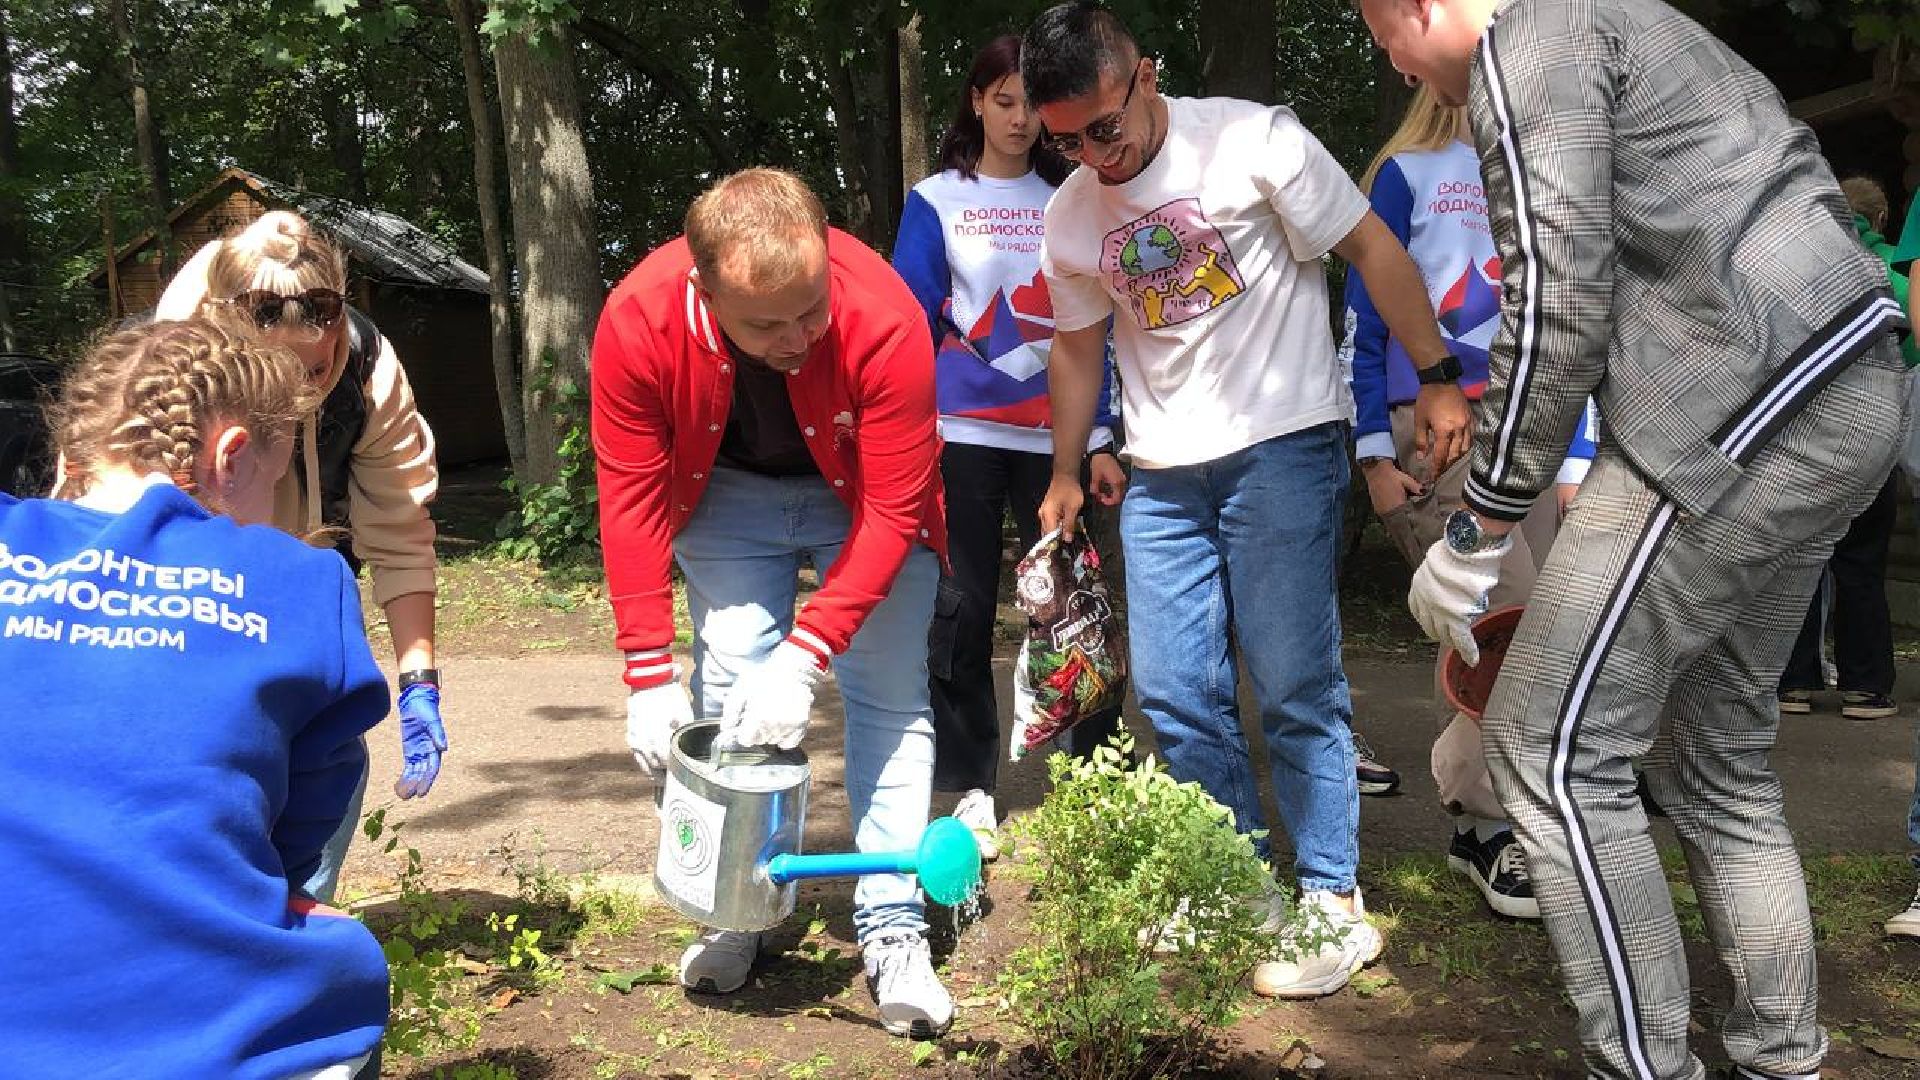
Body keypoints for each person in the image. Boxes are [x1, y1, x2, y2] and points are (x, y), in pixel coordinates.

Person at [1361, 0, 1910, 1076]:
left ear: (1420, 5)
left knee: (1547, 748)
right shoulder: (1638, 20)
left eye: (1380, 30)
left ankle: (1647, 1064)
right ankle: (1782, 1054)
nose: (1393, 60)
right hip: (1851, 386)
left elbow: (1557, 312)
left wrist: (1479, 527)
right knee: (1722, 756)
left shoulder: (1526, 49)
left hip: (1738, 413)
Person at [1022, 1, 1475, 1000]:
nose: (1094, 155)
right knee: (1178, 691)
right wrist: (1064, 467)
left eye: (1105, 126)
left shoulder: (1253, 138)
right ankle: (1235, 885)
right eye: (1063, 141)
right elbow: (1076, 343)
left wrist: (1436, 371)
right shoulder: (1070, 215)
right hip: (1163, 471)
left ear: (1146, 75)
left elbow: (1373, 254)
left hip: (1282, 444)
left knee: (1292, 682)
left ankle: (1331, 901)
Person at [594, 167, 954, 1038]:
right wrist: (646, 671)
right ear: (703, 285)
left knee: (888, 693)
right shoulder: (637, 321)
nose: (798, 336)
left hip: (862, 498)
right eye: (766, 322)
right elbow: (630, 499)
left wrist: (810, 651)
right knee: (729, 686)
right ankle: (741, 905)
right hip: (723, 490)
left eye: (811, 309)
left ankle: (892, 922)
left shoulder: (884, 311)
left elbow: (897, 507)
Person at [0, 319, 390, 1078]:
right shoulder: (298, 580)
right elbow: (309, 812)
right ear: (232, 457)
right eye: (275, 486)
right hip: (202, 1036)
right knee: (331, 969)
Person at [1343, 84, 1598, 920]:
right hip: (1435, 430)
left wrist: (1585, 442)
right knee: (1503, 618)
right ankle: (1493, 828)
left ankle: (1486, 812)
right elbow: (1366, 322)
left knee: (1550, 628)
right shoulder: (1404, 175)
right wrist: (1375, 452)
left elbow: (1571, 314)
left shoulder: (1545, 171)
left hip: (1541, 425)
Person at [151, 211, 449, 903]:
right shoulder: (159, 371)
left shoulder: (368, 368)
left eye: (315, 369)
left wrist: (418, 682)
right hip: (179, 588)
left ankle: (290, 935)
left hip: (305, 574)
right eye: (276, 376)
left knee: (329, 751)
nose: (301, 396)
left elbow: (400, 529)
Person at [890, 33, 1128, 860]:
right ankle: (971, 789)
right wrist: (905, 437)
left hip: (1056, 441)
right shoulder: (934, 200)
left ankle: (1095, 776)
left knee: (1070, 609)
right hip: (957, 439)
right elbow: (908, 326)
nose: (1022, 119)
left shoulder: (1081, 196)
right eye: (1005, 101)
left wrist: (1099, 438)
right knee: (958, 611)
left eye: (1033, 104)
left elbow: (1100, 329)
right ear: (976, 102)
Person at [1775, 177, 1916, 722]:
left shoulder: (1804, 266)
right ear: (1880, 220)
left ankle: (1795, 681)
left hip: (1803, 436)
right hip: (1872, 434)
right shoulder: (1896, 274)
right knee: (1862, 562)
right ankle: (1866, 685)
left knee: (1800, 561)